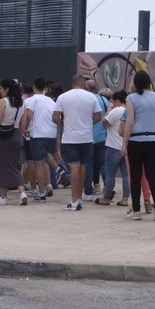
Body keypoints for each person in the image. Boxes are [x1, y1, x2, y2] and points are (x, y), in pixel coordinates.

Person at [122, 71, 155, 221]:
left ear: (135, 83)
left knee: (135, 176)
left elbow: (129, 122)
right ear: (149, 82)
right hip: (154, 140)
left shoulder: (131, 98)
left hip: (136, 141)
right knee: (151, 175)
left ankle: (136, 211)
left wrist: (124, 143)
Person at [55, 75, 101, 212]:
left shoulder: (63, 97)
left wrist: (63, 125)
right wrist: (88, 124)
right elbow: (98, 116)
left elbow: (55, 117)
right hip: (86, 137)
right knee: (83, 167)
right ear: (82, 83)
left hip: (70, 137)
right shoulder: (91, 97)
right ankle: (79, 198)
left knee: (73, 166)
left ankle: (74, 201)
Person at [0, 79, 25, 205]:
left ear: (7, 89)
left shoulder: (3, 101)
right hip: (16, 134)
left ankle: (3, 196)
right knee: (14, 165)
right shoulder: (22, 102)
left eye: (1, 88)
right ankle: (22, 192)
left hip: (2, 136)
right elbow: (23, 122)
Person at [100, 90, 129, 206]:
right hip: (125, 146)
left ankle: (106, 197)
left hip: (113, 146)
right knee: (126, 174)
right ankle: (125, 199)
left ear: (117, 101)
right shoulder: (129, 110)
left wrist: (108, 111)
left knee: (110, 174)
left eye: (112, 100)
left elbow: (104, 124)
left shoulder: (116, 110)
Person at [87, 79, 110, 200]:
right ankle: (108, 187)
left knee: (89, 164)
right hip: (102, 136)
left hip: (88, 137)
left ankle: (89, 189)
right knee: (103, 164)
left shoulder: (85, 99)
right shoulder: (103, 99)